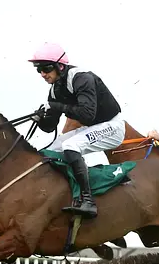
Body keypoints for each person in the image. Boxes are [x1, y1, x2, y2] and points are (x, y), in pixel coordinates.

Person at [29, 42, 126, 219]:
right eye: (39, 70)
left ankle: (88, 201)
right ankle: (64, 193)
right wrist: (40, 118)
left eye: (46, 68)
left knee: (71, 146)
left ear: (60, 66)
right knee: (50, 151)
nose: (42, 74)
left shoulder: (81, 78)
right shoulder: (55, 90)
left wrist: (56, 106)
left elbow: (87, 115)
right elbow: (50, 127)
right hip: (92, 127)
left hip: (112, 126)